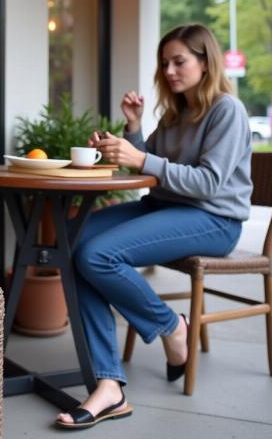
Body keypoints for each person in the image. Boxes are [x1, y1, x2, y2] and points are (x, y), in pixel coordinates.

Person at [56, 24, 252, 430]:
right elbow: (153, 166)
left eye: (179, 61)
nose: (169, 70)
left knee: (97, 254)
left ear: (205, 61)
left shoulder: (226, 111)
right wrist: (132, 129)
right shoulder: (177, 113)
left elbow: (206, 182)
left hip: (215, 219)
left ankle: (170, 326)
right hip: (165, 207)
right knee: (73, 239)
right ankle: (109, 385)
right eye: (164, 63)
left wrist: (140, 158)